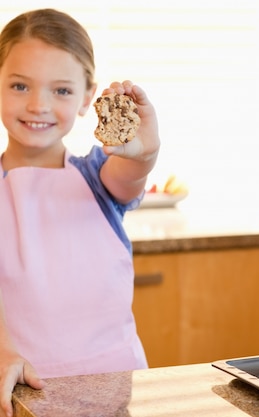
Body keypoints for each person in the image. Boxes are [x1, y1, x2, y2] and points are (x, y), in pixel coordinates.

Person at [0, 8, 160, 417]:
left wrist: (146, 152)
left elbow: (130, 171)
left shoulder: (97, 177)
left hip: (117, 389)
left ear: (89, 97)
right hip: (21, 391)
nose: (38, 105)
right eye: (20, 85)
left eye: (62, 91)